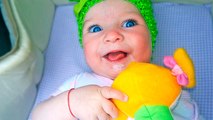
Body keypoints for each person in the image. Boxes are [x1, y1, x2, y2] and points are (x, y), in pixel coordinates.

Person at [32, 0, 201, 120]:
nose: (112, 35)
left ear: (151, 37)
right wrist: (71, 103)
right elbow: (37, 116)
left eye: (128, 24)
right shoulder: (79, 85)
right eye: (96, 28)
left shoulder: (166, 84)